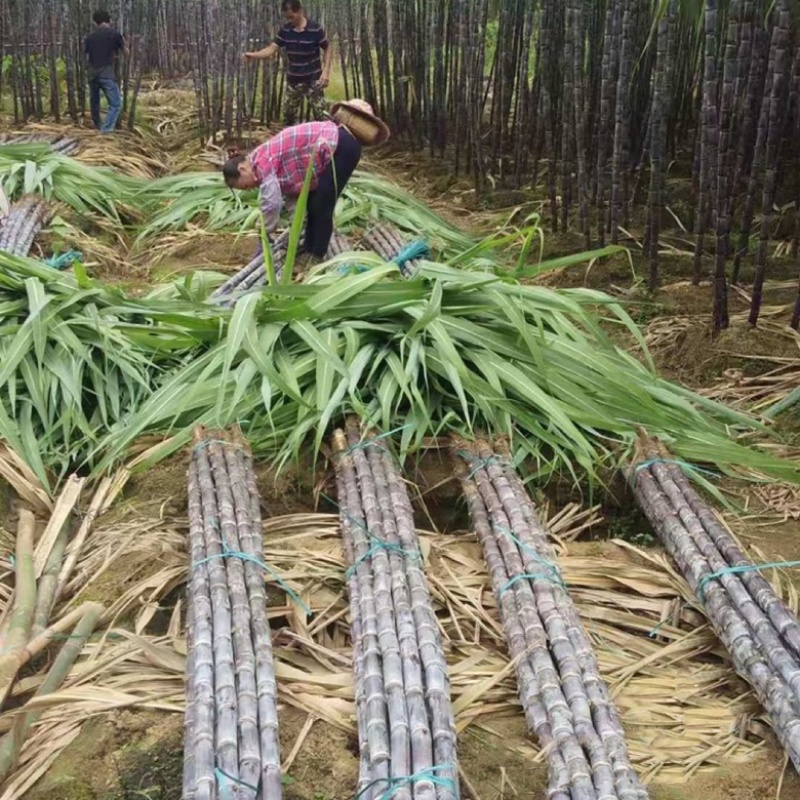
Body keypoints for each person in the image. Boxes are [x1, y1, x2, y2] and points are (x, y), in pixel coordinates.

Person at [222, 119, 361, 271]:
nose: (249, 189)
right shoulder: (262, 162)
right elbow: (293, 197)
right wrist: (295, 224)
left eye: (245, 185)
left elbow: (272, 203)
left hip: (340, 147)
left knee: (321, 206)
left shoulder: (262, 163)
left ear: (242, 169)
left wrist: (265, 229)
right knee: (314, 205)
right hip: (335, 148)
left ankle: (315, 256)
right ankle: (309, 249)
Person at [244, 1, 333, 126]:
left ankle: (328, 142)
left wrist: (326, 71)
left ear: (300, 11)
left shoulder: (315, 29)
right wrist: (254, 55)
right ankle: (291, 142)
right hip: (294, 80)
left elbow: (327, 48)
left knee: (322, 116)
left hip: (314, 79)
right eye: (287, 17)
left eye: (292, 16)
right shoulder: (285, 30)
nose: (290, 20)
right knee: (288, 117)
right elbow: (271, 49)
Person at [84, 10, 125, 133]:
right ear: (109, 20)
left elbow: (85, 54)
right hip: (106, 73)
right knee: (116, 104)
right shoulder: (114, 34)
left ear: (94, 22)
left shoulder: (89, 36)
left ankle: (98, 126)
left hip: (92, 73)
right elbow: (125, 51)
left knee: (94, 103)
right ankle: (105, 130)